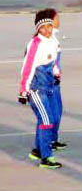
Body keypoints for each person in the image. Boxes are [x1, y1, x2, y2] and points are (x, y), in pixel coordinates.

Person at [19, 10, 63, 169]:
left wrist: (56, 73)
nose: (47, 30)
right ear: (38, 28)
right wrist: (23, 91)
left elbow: (54, 62)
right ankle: (46, 157)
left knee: (46, 119)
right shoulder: (35, 44)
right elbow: (28, 68)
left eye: (49, 26)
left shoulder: (52, 40)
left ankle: (37, 150)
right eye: (43, 27)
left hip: (49, 86)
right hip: (36, 89)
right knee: (47, 120)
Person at [43, 8, 68, 151]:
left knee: (57, 112)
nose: (59, 20)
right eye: (57, 18)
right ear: (51, 20)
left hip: (55, 81)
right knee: (52, 113)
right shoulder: (47, 39)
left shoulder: (54, 37)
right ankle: (47, 142)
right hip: (48, 82)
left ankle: (53, 138)